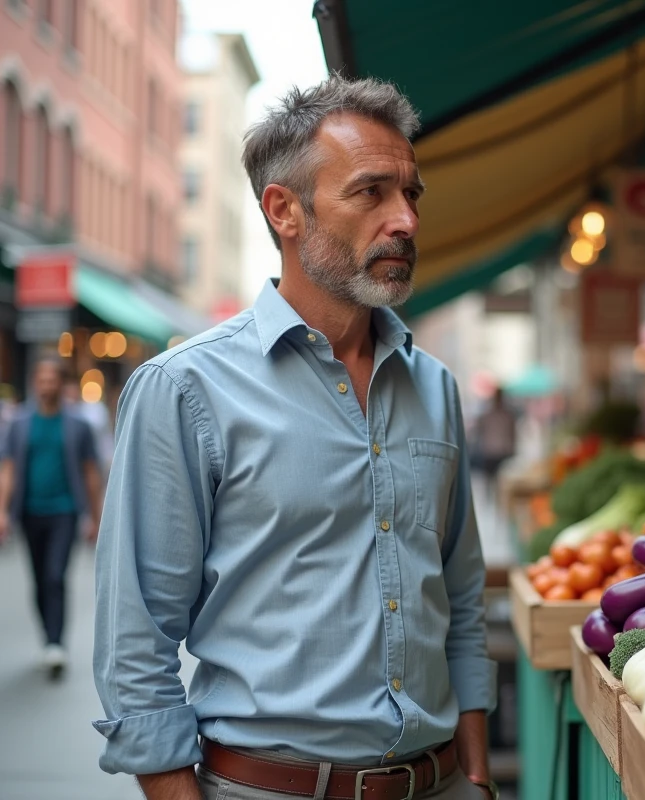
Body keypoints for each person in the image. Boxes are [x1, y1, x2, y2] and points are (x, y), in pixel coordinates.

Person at [91, 75, 497, 800]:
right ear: (285, 211)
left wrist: (475, 769)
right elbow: (135, 640)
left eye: (411, 194)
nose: (404, 218)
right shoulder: (185, 389)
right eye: (371, 193)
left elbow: (459, 594)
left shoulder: (434, 387)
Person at [0, 358, 103, 679]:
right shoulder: (20, 423)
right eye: (41, 380)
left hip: (65, 511)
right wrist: (3, 511)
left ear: (61, 383)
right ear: (34, 383)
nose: (47, 386)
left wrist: (96, 517)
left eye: (52, 379)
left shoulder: (77, 425)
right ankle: (48, 636)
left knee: (55, 575)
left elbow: (90, 472)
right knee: (39, 579)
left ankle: (56, 643)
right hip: (30, 511)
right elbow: (9, 469)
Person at [472, 389, 517, 504]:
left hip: (498, 452)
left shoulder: (504, 415)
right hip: (494, 452)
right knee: (493, 481)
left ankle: (494, 502)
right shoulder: (504, 415)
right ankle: (492, 501)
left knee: (497, 482)